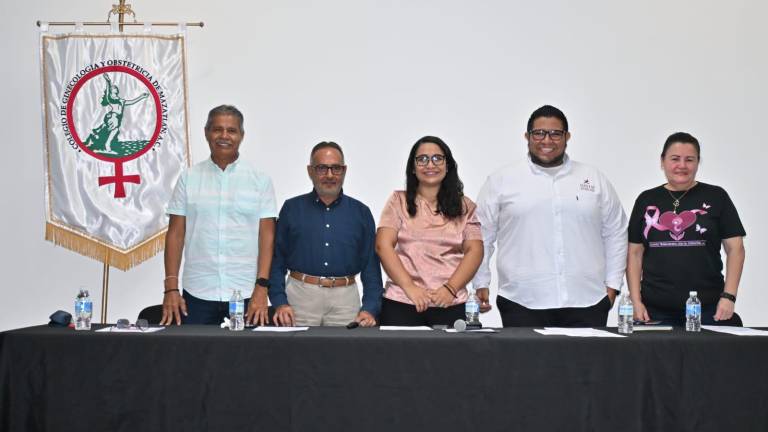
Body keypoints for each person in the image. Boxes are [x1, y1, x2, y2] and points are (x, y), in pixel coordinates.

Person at [472, 105, 628, 327]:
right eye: (539, 133)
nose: (547, 140)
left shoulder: (593, 179)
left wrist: (613, 286)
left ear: (567, 137)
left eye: (555, 134)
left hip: (588, 301)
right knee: (524, 364)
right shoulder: (501, 180)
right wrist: (481, 282)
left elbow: (616, 232)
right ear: (527, 137)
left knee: (588, 364)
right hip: (521, 302)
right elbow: (481, 235)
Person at [160, 105, 277, 326]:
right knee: (195, 359)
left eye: (231, 130)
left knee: (246, 360)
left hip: (245, 292)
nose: (224, 136)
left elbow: (267, 237)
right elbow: (175, 234)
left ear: (241, 135)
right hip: (197, 293)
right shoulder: (189, 178)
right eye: (217, 129)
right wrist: (171, 287)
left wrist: (262, 287)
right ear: (206, 133)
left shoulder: (260, 180)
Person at [627, 132, 746, 326]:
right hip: (654, 310)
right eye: (675, 159)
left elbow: (736, 249)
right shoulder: (646, 200)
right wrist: (636, 301)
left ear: (698, 162)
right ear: (662, 161)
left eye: (689, 159)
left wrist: (729, 296)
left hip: (709, 308)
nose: (682, 165)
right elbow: (634, 253)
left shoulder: (717, 197)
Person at [268, 142, 383, 327]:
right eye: (322, 168)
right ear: (310, 171)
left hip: (345, 301)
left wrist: (370, 308)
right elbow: (277, 261)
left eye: (336, 168)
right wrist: (280, 302)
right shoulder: (292, 209)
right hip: (300, 298)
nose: (329, 175)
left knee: (342, 355)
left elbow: (371, 267)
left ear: (344, 171)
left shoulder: (361, 212)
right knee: (296, 355)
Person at [375, 136, 483, 326]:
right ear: (413, 168)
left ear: (447, 165)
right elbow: (383, 245)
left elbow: (475, 250)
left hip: (451, 303)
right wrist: (410, 288)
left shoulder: (465, 206)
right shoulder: (397, 202)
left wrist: (450, 289)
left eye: (437, 158)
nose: (430, 164)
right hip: (402, 301)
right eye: (422, 159)